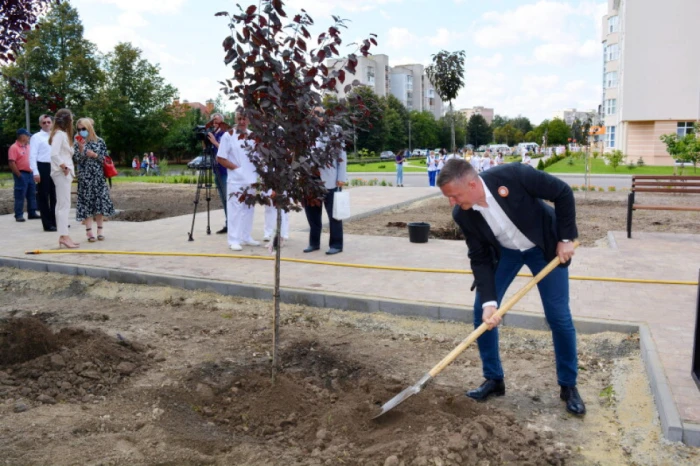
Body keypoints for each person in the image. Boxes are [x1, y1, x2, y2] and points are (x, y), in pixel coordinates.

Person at [437, 158, 584, 416]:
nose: (452, 202)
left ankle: (568, 385)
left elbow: (562, 192)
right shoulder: (462, 214)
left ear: (472, 184)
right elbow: (480, 257)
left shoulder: (514, 176)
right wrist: (489, 302)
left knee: (558, 316)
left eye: (454, 195)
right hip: (506, 254)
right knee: (481, 314)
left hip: (544, 248)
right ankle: (494, 379)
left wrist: (565, 238)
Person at [216, 110, 260, 251]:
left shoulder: (253, 136)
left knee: (249, 209)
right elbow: (221, 157)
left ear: (249, 120)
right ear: (236, 119)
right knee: (235, 210)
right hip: (236, 180)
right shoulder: (228, 136)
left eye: (244, 119)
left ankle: (246, 236)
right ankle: (233, 239)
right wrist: (236, 169)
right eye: (239, 118)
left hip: (251, 179)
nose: (242, 121)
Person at [303, 121, 347, 255]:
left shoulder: (335, 130)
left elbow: (342, 155)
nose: (317, 117)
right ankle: (314, 243)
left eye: (319, 113)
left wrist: (341, 177)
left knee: (334, 215)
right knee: (312, 214)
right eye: (314, 114)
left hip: (329, 179)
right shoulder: (304, 130)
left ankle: (336, 244)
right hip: (310, 179)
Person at [73, 118, 115, 242]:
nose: (81, 131)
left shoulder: (100, 141)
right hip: (85, 178)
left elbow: (106, 159)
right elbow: (77, 160)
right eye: (79, 129)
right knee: (87, 204)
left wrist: (95, 155)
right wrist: (81, 151)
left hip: (98, 176)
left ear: (89, 128)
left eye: (83, 129)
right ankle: (89, 231)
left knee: (99, 203)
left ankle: (100, 230)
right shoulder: (77, 142)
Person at [49, 109, 79, 249]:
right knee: (64, 205)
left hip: (63, 172)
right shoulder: (59, 135)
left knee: (62, 204)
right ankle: (64, 236)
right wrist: (64, 166)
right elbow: (54, 154)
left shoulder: (62, 135)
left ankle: (64, 235)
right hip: (62, 172)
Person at [30, 115, 57, 231]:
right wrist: (35, 172)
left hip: (55, 166)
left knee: (55, 196)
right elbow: (32, 156)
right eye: (44, 122)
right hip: (42, 166)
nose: (46, 124)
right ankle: (47, 224)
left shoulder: (56, 135)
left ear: (52, 123)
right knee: (44, 196)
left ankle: (56, 221)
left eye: (48, 122)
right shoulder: (36, 137)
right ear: (40, 124)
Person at [8, 128, 39, 222]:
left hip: (30, 173)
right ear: (22, 136)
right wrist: (18, 174)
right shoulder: (14, 147)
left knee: (32, 194)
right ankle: (18, 215)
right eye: (27, 135)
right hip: (21, 173)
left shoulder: (28, 146)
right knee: (20, 194)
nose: (29, 137)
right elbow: (11, 162)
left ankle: (32, 212)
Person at [207, 113, 228, 234]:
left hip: (224, 170)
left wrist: (214, 142)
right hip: (216, 170)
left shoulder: (225, 134)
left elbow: (225, 149)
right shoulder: (213, 134)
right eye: (213, 122)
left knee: (227, 199)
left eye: (218, 122)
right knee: (223, 199)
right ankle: (228, 223)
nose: (215, 124)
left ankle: (231, 224)